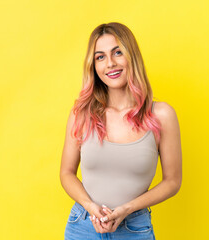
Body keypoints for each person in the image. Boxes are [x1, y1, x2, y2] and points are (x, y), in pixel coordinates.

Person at [60, 22, 182, 240]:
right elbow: (66, 173)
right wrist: (89, 206)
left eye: (118, 52)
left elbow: (172, 181)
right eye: (100, 57)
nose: (110, 64)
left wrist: (126, 209)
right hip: (83, 226)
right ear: (93, 66)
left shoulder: (162, 115)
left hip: (134, 228)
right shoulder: (82, 113)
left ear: (131, 56)